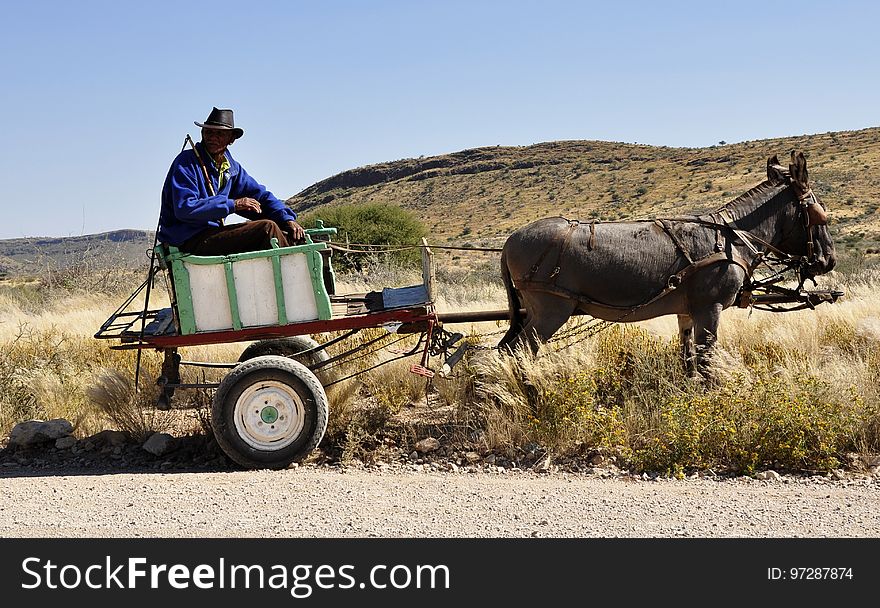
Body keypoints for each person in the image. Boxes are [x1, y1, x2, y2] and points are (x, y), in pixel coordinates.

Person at [158, 107, 305, 255]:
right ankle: (297, 265)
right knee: (266, 229)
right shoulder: (186, 163)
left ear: (231, 139)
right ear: (202, 133)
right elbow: (185, 208)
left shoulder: (231, 168)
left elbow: (260, 196)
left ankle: (318, 252)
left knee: (285, 230)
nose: (212, 137)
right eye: (208, 132)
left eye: (220, 133)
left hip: (211, 234)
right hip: (187, 239)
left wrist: (286, 219)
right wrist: (233, 204)